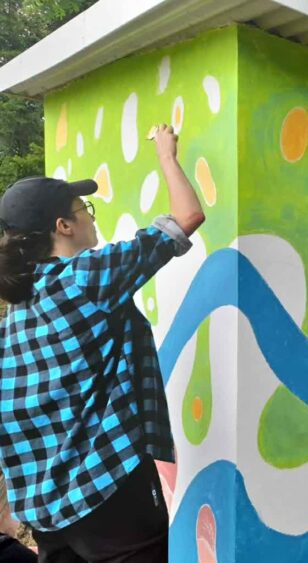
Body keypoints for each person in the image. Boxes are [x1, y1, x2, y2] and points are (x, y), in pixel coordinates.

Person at [0, 124, 204, 562]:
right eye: (84, 209)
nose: (91, 218)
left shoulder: (18, 309)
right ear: (63, 226)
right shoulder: (86, 278)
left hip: (48, 508)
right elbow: (185, 218)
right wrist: (167, 155)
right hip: (108, 488)